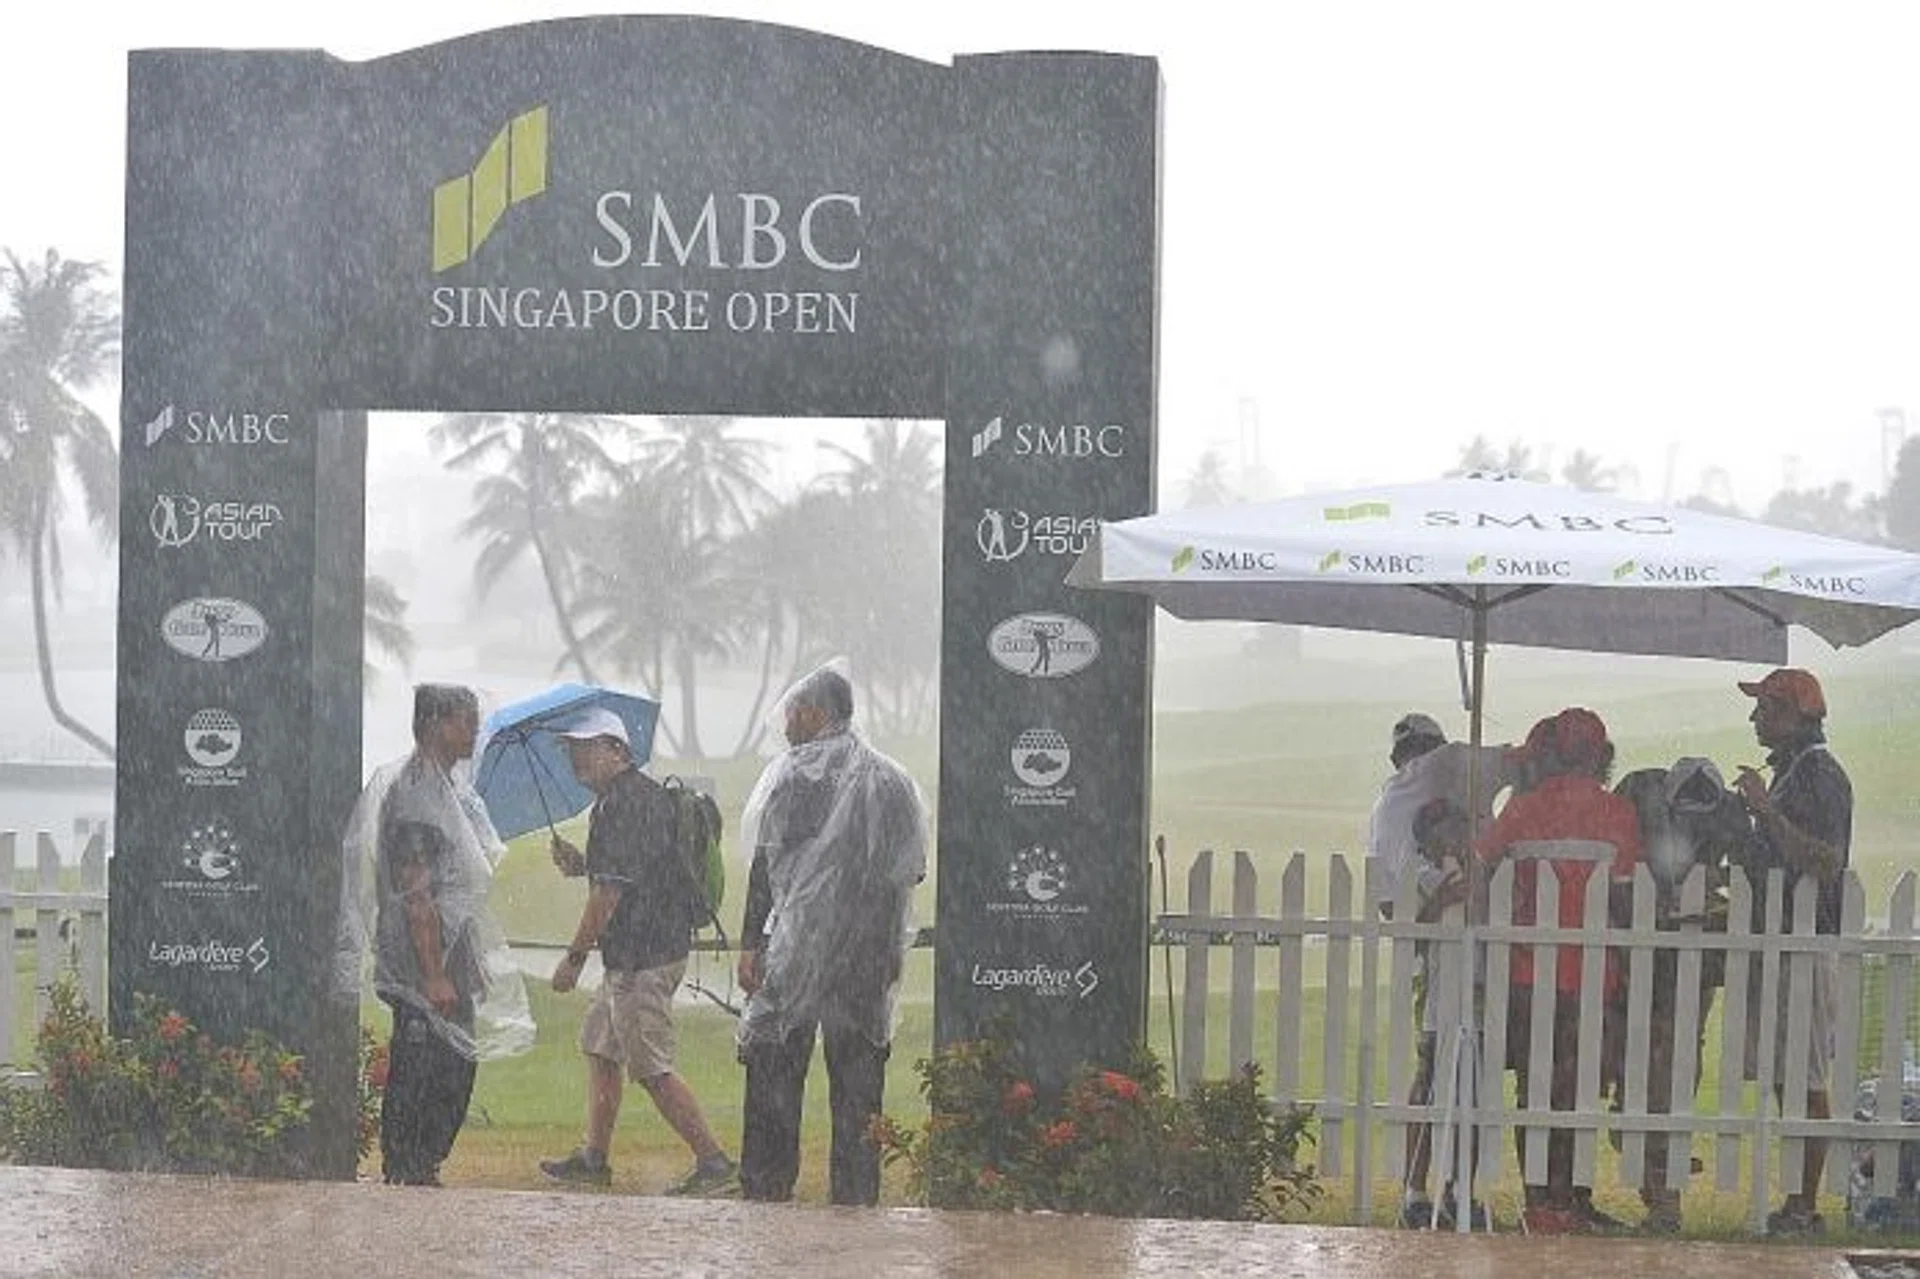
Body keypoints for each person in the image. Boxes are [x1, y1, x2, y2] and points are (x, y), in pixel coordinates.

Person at [735, 664, 929, 1206]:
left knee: (774, 1067)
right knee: (858, 1082)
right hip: (869, 954)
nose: (785, 724)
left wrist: (751, 944)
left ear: (815, 713)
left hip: (797, 950)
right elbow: (911, 871)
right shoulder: (893, 781)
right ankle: (855, 1195)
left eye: (792, 712)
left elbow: (765, 868)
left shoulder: (791, 776)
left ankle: (767, 1187)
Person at [338, 683, 533, 1186]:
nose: (474, 730)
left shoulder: (449, 792)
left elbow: (456, 891)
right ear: (433, 724)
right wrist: (432, 974)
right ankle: (407, 1167)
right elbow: (416, 893)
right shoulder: (416, 795)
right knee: (424, 1065)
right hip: (419, 961)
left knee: (455, 1064)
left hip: (448, 953)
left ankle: (422, 1164)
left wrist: (466, 960)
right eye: (464, 720)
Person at [538, 706, 736, 1194]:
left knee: (651, 1066)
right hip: (640, 951)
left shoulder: (624, 806)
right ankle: (594, 1158)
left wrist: (573, 959)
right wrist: (582, 864)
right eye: (572, 749)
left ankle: (714, 1162)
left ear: (618, 750)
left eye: (587, 748)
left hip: (642, 958)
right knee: (601, 1046)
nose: (577, 759)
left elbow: (609, 895)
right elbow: (635, 872)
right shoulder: (628, 800)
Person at [1477, 706, 1642, 1235]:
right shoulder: (1618, 813)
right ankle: (1572, 1199)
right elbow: (1624, 898)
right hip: (1593, 976)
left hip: (1527, 975)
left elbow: (1480, 864)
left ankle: (1540, 1202)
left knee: (1535, 1089)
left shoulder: (1522, 809)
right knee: (1579, 1091)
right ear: (1601, 756)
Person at [1363, 711, 1514, 1228]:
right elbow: (1400, 915)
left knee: (1469, 1082)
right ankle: (1417, 1189)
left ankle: (1456, 1189)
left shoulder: (1403, 818)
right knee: (1432, 1078)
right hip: (1438, 977)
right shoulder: (1408, 842)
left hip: (1479, 973)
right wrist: (1440, 902)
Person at [1732, 667, 1853, 1237]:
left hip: (1806, 944)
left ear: (1796, 716)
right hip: (1785, 941)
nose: (1755, 718)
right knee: (1788, 1076)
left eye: (1766, 708)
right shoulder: (1796, 770)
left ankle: (1804, 1206)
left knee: (1804, 1077)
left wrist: (1765, 812)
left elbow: (1826, 860)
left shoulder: (1820, 773)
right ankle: (1796, 1202)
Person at [1608, 756, 1749, 1234]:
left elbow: (1747, 871)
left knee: (1678, 1058)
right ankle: (1643, 1146)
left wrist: (1716, 885)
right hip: (1637, 948)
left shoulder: (1731, 813)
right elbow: (1614, 863)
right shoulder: (1637, 793)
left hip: (1692, 949)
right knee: (1641, 1059)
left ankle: (1662, 1186)